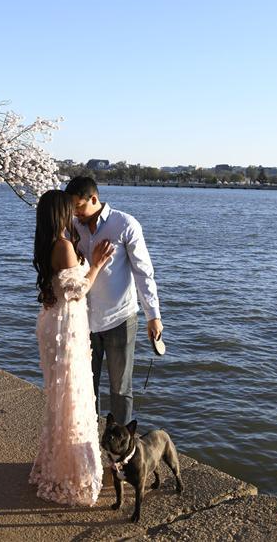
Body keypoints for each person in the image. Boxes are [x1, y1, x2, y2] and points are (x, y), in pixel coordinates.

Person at [29, 189, 114, 506]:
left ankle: (60, 463)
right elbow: (77, 290)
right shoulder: (63, 246)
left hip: (57, 322)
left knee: (63, 396)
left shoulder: (51, 242)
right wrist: (96, 264)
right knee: (72, 395)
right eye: (70, 209)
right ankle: (71, 473)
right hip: (66, 326)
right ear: (60, 214)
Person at [65, 176, 163, 426]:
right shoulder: (73, 226)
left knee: (120, 389)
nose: (75, 212)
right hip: (84, 320)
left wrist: (153, 316)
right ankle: (89, 444)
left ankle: (120, 455)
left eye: (78, 206)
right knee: (86, 387)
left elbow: (143, 271)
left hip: (120, 319)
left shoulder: (125, 224)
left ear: (94, 199)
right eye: (72, 208)